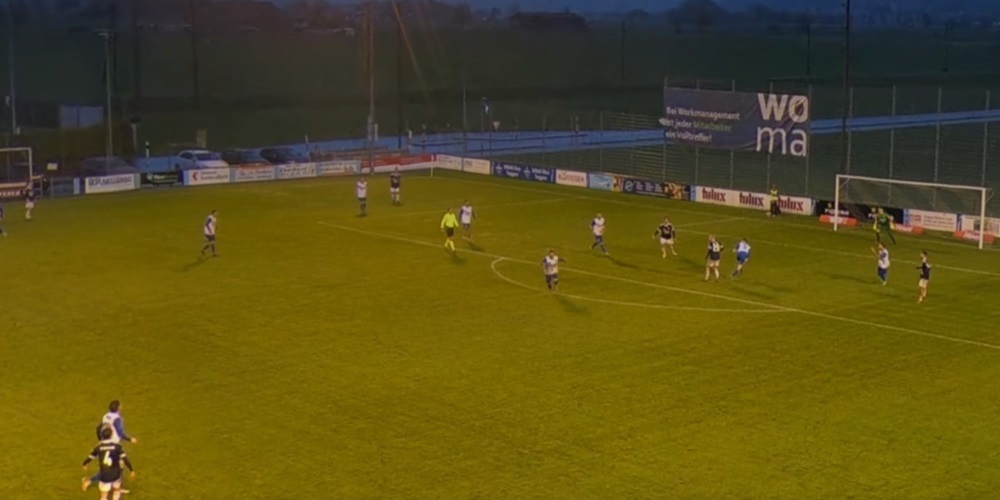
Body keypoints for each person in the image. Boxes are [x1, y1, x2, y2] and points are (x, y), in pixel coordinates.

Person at [84, 400, 138, 492]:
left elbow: (99, 427)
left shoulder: (106, 416)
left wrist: (100, 440)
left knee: (110, 467)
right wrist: (130, 439)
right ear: (118, 408)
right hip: (114, 445)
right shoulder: (117, 418)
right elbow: (120, 433)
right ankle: (90, 481)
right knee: (117, 466)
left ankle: (114, 485)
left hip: (105, 441)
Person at [82, 426, 135, 500]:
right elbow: (125, 459)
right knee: (116, 491)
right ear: (111, 435)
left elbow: (90, 457)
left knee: (104, 496)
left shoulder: (98, 447)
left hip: (104, 476)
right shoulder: (117, 447)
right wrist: (131, 470)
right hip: (116, 475)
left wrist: (85, 464)